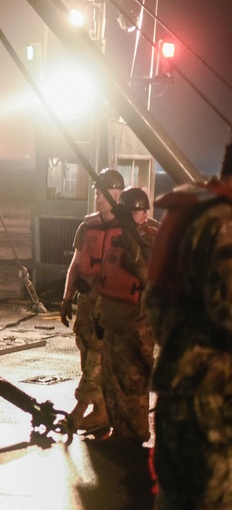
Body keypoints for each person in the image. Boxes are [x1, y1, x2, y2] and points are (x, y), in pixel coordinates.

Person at [144, 143, 232, 510]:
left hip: (182, 393)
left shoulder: (193, 211)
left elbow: (158, 307)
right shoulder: (224, 224)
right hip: (214, 406)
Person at [59, 167, 125, 434]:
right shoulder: (87, 226)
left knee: (98, 355)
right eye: (96, 194)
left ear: (117, 194)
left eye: (102, 194)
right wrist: (66, 298)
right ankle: (102, 412)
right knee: (86, 349)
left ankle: (79, 412)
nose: (98, 199)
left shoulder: (129, 229)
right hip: (86, 298)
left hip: (110, 300)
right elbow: (75, 265)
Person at [93, 186, 158, 443]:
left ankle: (137, 432)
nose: (134, 217)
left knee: (134, 382)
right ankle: (120, 431)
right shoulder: (119, 241)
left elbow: (144, 273)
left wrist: (131, 235)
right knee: (111, 381)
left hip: (136, 326)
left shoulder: (148, 241)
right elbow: (105, 281)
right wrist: (100, 315)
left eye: (137, 213)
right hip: (113, 322)